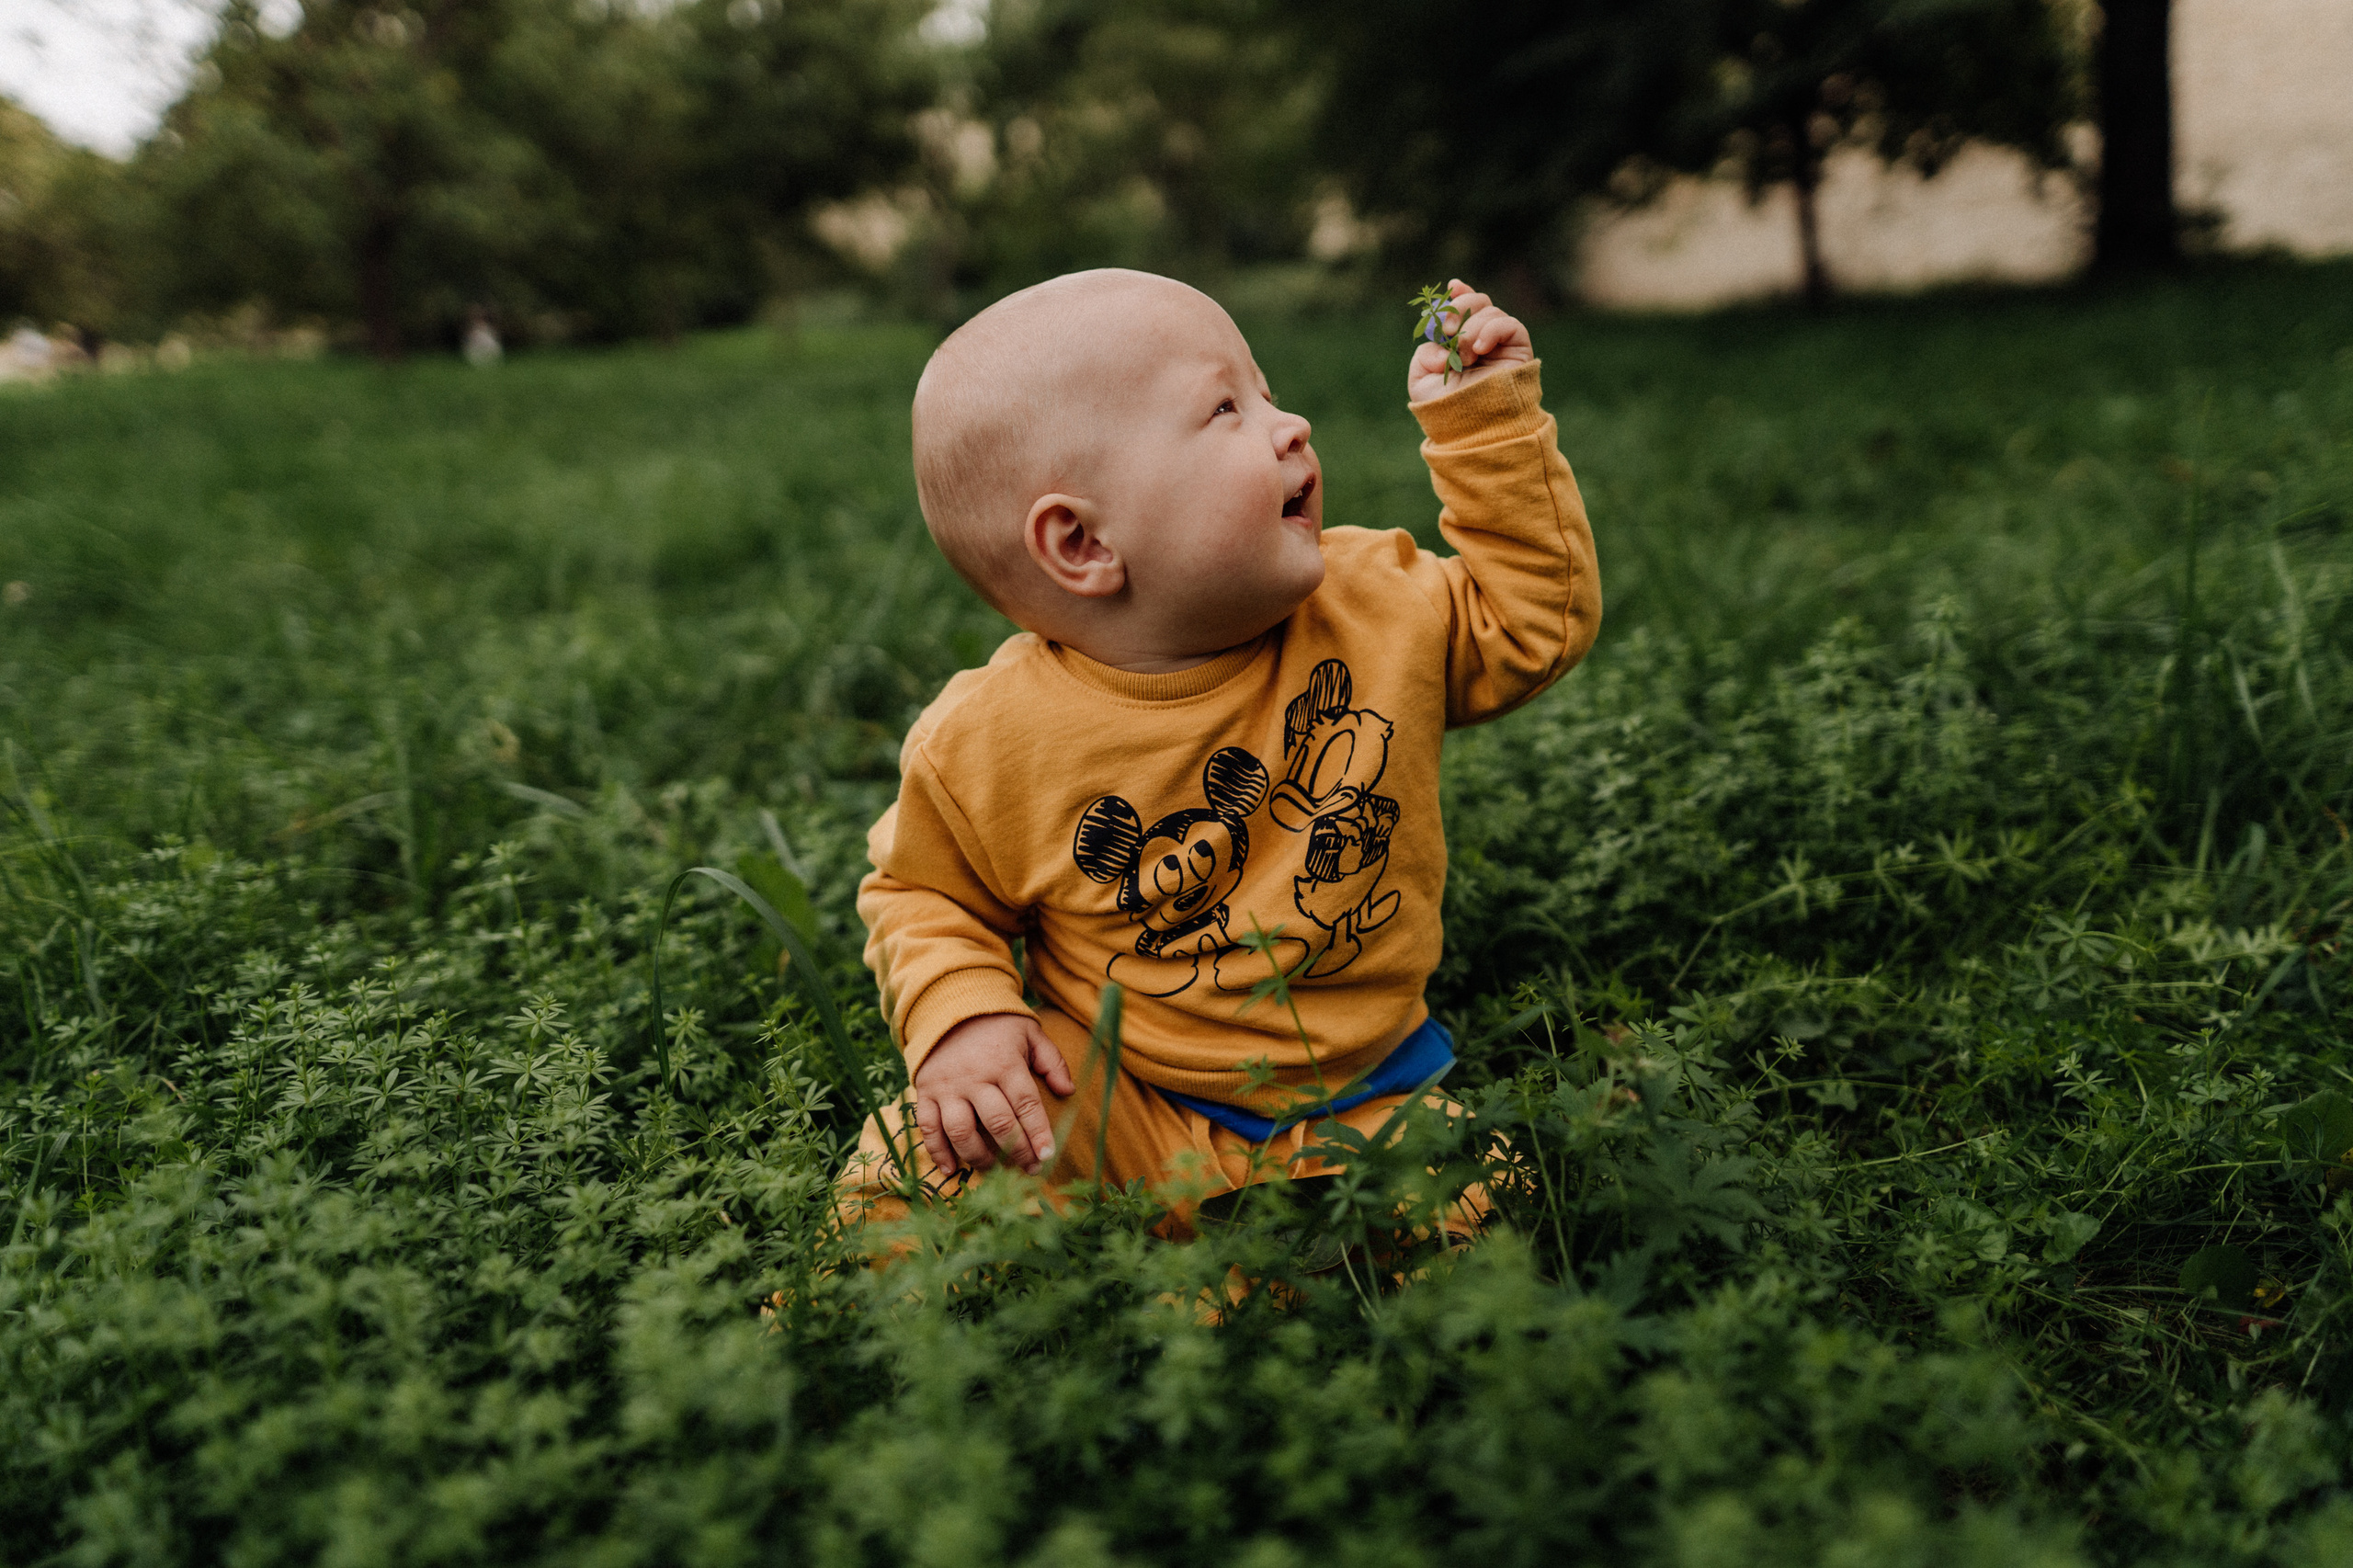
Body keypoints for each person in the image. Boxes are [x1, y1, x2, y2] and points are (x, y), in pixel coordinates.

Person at [839, 269, 1600, 1239]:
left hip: (1364, 1090)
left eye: (1271, 392)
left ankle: (1256, 1300)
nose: (1293, 427)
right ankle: (829, 1354)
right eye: (1227, 408)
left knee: (1480, 1200)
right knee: (924, 1166)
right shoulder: (988, 742)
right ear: (1080, 539)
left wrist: (1484, 423)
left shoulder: (1379, 604)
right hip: (1121, 1091)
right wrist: (964, 1015)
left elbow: (1535, 622)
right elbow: (924, 895)